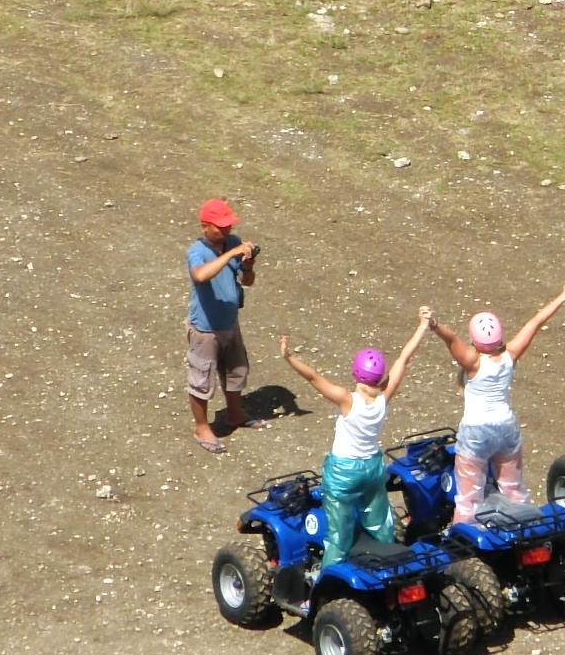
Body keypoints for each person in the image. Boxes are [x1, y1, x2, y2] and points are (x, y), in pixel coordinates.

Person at [279, 308, 431, 570]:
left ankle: (328, 580)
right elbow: (404, 358)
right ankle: (388, 568)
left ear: (355, 374)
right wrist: (422, 325)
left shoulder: (347, 399)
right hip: (372, 468)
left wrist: (289, 356)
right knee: (381, 524)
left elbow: (313, 377)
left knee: (338, 536)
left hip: (344, 471)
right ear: (380, 376)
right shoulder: (384, 397)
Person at [428, 281, 565, 524]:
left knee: (468, 498)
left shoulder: (473, 363)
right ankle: (524, 530)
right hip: (506, 428)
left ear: (474, 340)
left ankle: (463, 541)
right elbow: (535, 323)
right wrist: (562, 296)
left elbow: (451, 339)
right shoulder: (510, 355)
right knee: (514, 489)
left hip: (476, 432)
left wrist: (434, 325)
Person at [185, 198, 262, 453]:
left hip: (229, 321)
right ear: (205, 226)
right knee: (202, 379)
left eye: (229, 225)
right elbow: (200, 275)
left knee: (236, 370)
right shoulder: (197, 251)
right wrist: (232, 253)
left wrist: (248, 265)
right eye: (221, 227)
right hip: (205, 328)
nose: (226, 230)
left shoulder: (232, 242)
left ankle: (235, 413)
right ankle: (202, 428)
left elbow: (248, 281)